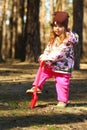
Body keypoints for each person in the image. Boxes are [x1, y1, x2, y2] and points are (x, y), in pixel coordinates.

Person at [26, 11, 79, 107]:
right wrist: (43, 56)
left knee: (62, 84)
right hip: (52, 64)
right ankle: (36, 87)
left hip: (63, 67)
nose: (57, 29)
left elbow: (60, 53)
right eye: (55, 26)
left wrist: (48, 58)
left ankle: (62, 101)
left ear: (65, 27)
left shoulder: (68, 40)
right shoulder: (54, 38)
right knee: (42, 70)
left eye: (60, 26)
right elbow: (48, 48)